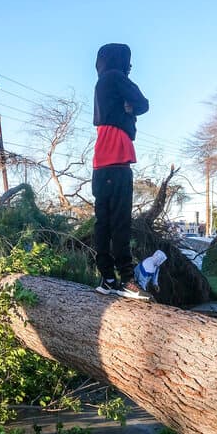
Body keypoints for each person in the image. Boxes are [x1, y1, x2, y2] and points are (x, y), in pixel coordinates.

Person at [91, 43, 150, 299]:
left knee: (102, 223)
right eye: (129, 61)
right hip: (117, 160)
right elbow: (143, 103)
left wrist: (129, 109)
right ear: (120, 60)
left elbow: (134, 106)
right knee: (120, 224)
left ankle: (106, 279)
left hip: (100, 164)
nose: (131, 67)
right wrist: (131, 109)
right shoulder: (116, 77)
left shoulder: (102, 83)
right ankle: (127, 280)